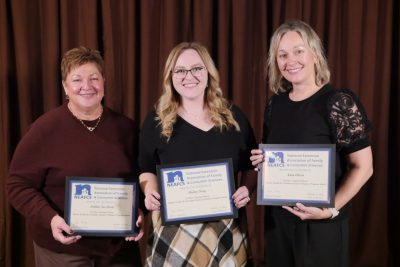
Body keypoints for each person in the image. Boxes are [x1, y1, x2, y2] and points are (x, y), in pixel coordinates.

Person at [250, 20, 373, 267]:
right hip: (278, 225)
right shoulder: (275, 106)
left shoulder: (339, 102)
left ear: (315, 54)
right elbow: (276, 159)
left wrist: (330, 210)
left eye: (298, 51)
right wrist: (262, 163)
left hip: (321, 226)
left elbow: (364, 167)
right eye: (282, 55)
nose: (290, 60)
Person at [6, 46, 144, 266]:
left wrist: (138, 208)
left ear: (104, 83)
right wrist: (50, 219)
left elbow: (143, 178)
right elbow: (17, 184)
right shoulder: (44, 130)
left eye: (94, 78)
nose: (87, 86)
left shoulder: (126, 129)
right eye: (77, 79)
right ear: (65, 87)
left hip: (119, 250)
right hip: (63, 250)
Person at [139, 42, 257, 266]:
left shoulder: (233, 117)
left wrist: (246, 189)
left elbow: (251, 165)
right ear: (171, 76)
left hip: (224, 229)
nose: (189, 76)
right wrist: (150, 191)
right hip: (174, 232)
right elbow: (145, 169)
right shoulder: (156, 120)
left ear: (208, 73)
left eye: (197, 68)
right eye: (180, 70)